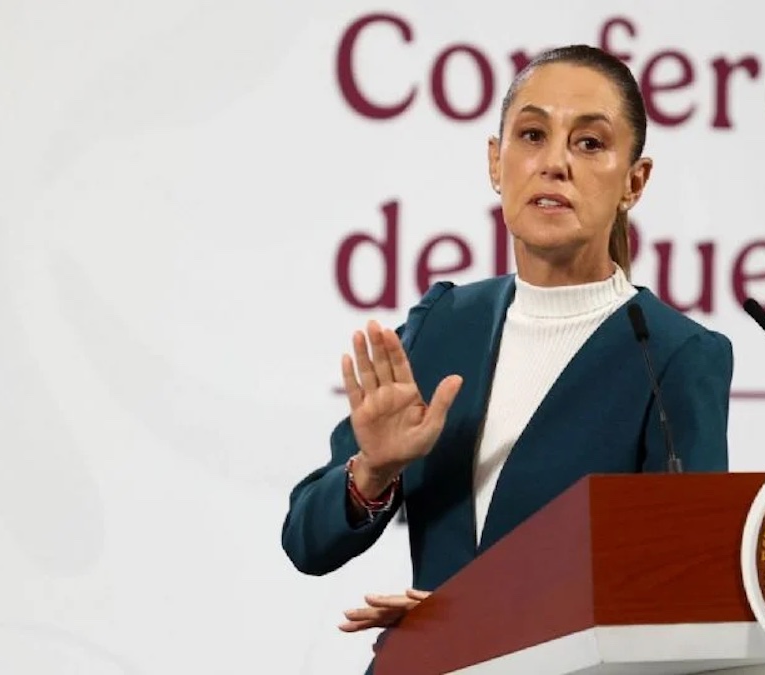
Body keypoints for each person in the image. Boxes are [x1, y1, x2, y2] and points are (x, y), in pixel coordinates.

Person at [280, 44, 734, 673]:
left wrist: (485, 618)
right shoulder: (444, 322)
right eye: (532, 135)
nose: (554, 163)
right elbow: (306, 541)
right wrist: (372, 473)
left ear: (634, 182)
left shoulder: (674, 355)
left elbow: (684, 595)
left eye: (590, 143)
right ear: (496, 162)